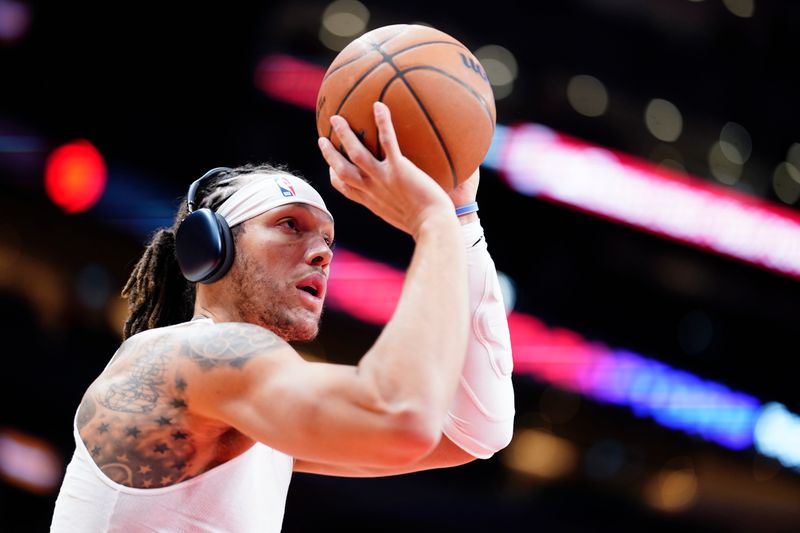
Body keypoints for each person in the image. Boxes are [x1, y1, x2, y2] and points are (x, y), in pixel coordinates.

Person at [50, 102, 515, 532]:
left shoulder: (251, 415)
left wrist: (463, 220)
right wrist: (433, 221)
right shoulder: (193, 355)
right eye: (290, 225)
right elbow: (401, 414)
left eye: (329, 241)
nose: (321, 254)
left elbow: (476, 431)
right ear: (210, 247)